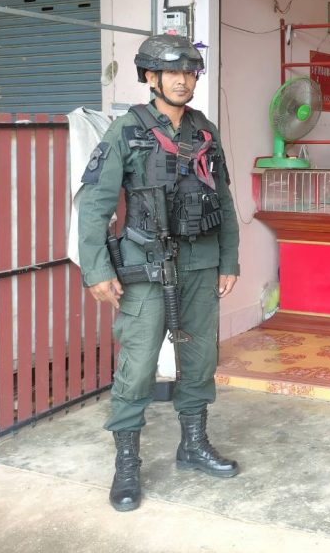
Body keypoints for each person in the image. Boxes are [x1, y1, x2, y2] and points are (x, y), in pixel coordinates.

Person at [77, 34, 241, 512]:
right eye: (172, 72)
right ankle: (127, 464)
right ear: (151, 77)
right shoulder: (126, 131)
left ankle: (193, 445)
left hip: (201, 262)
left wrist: (228, 259)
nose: (182, 80)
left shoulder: (205, 130)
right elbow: (96, 205)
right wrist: (96, 269)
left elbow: (223, 200)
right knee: (137, 366)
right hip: (145, 265)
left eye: (189, 72)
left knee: (200, 359)